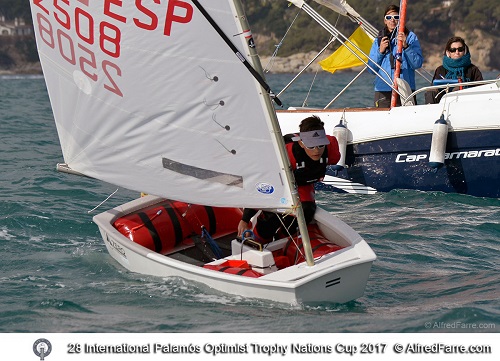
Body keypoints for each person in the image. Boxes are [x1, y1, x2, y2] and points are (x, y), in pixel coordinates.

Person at [237, 116, 340, 244]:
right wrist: (245, 219)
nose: (317, 151)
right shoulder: (286, 154)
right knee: (275, 213)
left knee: (307, 210)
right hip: (279, 179)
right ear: (302, 143)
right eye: (311, 146)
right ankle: (260, 237)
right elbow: (263, 184)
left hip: (302, 183)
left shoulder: (331, 148)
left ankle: (284, 239)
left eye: (320, 146)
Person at [368, 4, 424, 107]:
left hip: (405, 88)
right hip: (383, 88)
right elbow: (371, 69)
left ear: (401, 19)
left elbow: (417, 63)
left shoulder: (410, 37)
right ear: (385, 20)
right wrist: (380, 51)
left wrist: (406, 47)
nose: (392, 20)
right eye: (388, 17)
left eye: (396, 17)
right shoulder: (378, 40)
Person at [425, 36, 484, 104]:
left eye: (460, 49)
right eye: (453, 50)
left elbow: (480, 89)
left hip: (468, 103)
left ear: (464, 51)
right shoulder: (440, 70)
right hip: (444, 104)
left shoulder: (473, 70)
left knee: (457, 89)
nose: (457, 52)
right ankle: (431, 112)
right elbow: (435, 88)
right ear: (448, 52)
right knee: (431, 91)